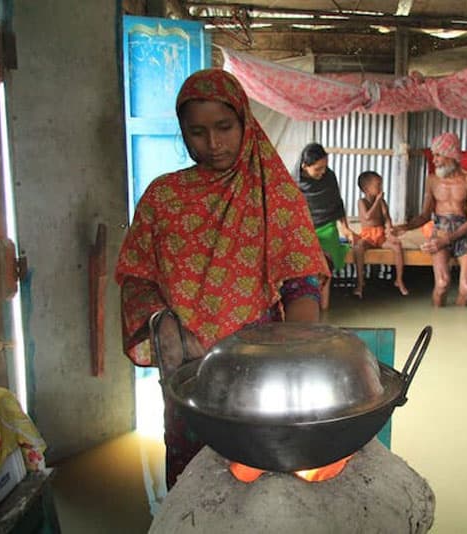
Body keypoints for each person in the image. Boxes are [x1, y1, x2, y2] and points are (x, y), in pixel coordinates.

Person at [114, 69, 330, 489]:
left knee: (260, 480)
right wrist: (171, 331)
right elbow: (138, 282)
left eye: (224, 128)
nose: (213, 144)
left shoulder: (276, 195)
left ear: (245, 122)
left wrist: (294, 359)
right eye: (197, 132)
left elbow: (301, 284)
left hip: (261, 371)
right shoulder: (164, 198)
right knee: (196, 486)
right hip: (189, 374)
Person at [393, 132, 467, 307]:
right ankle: (437, 322)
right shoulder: (432, 180)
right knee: (442, 284)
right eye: (434, 155)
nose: (434, 160)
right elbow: (425, 216)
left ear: (451, 155)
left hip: (463, 233)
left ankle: (459, 328)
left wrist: (446, 240)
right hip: (440, 229)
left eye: (438, 155)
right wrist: (405, 227)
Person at [294, 142, 357, 310]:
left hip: (326, 225)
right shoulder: (293, 183)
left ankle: (324, 307)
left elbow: (337, 203)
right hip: (303, 228)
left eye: (324, 167)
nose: (323, 172)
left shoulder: (329, 177)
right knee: (306, 260)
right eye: (318, 169)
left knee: (325, 262)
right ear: (304, 166)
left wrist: (345, 228)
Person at [352, 170, 409, 298]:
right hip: (367, 236)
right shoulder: (362, 202)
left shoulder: (382, 203)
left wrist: (390, 230)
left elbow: (387, 218)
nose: (380, 189)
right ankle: (360, 282)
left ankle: (399, 280)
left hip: (380, 235)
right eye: (377, 185)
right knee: (358, 247)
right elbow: (367, 217)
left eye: (381, 185)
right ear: (366, 189)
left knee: (397, 246)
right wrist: (377, 201)